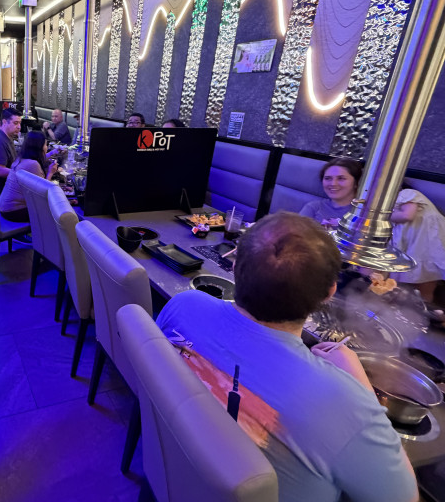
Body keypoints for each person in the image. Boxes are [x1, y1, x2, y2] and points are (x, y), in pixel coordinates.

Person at [156, 212, 417, 502]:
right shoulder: (343, 402)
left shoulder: (184, 305)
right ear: (329, 293)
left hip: (166, 469)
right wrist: (361, 387)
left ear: (234, 266)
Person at [391, 187, 445, 302]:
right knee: (419, 283)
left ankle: (424, 309)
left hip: (428, 241)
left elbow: (407, 215)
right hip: (417, 243)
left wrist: (383, 215)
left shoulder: (407, 193)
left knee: (425, 282)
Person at [0, 131, 58, 221]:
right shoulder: (33, 164)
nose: (47, 147)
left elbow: (39, 158)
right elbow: (43, 193)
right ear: (39, 147)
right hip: (14, 211)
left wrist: (51, 153)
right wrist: (50, 173)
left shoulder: (21, 158)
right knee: (54, 213)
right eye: (45, 144)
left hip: (4, 206)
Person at [299, 158, 362, 226]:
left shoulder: (362, 213)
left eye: (341, 178)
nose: (333, 184)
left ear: (356, 183)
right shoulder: (313, 208)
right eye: (328, 178)